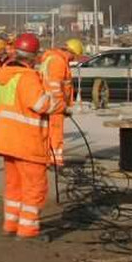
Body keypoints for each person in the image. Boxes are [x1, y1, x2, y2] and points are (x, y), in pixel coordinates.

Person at [0, 32, 57, 240]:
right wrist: (57, 103)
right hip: (27, 143)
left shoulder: (2, 78)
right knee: (34, 187)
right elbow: (40, 104)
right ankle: (28, 230)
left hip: (7, 141)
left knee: (14, 186)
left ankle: (11, 224)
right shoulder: (27, 78)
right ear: (33, 57)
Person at [36, 38, 82, 166]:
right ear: (71, 52)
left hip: (49, 103)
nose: (74, 59)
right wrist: (62, 106)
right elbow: (55, 87)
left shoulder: (53, 58)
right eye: (74, 56)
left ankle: (47, 157)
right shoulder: (58, 62)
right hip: (55, 104)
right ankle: (56, 159)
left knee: (48, 132)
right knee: (56, 133)